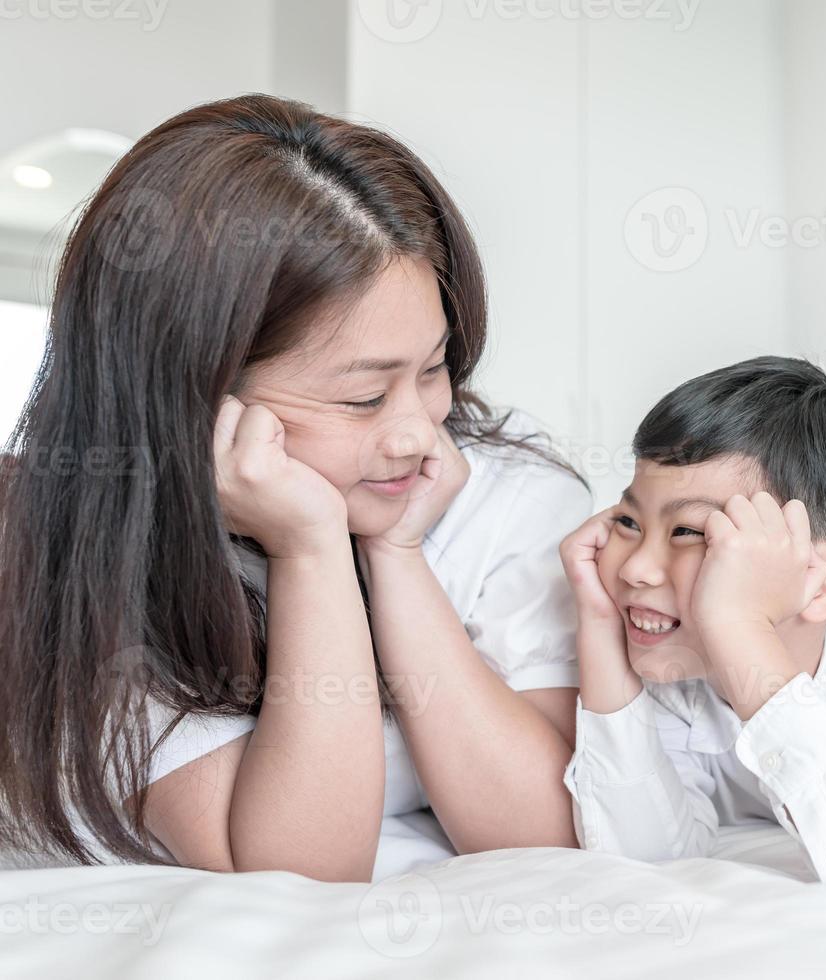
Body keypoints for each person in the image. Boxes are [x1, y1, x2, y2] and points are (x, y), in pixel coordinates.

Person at [0, 95, 588, 881]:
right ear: (198, 397)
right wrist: (307, 549)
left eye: (435, 368)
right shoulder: (88, 548)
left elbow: (539, 834)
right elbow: (301, 871)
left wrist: (395, 550)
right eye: (363, 398)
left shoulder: (505, 493)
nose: (419, 433)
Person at [561, 356, 826, 883]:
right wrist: (598, 626)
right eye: (627, 520)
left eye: (690, 532)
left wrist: (739, 628)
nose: (638, 568)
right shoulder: (667, 660)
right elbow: (640, 857)